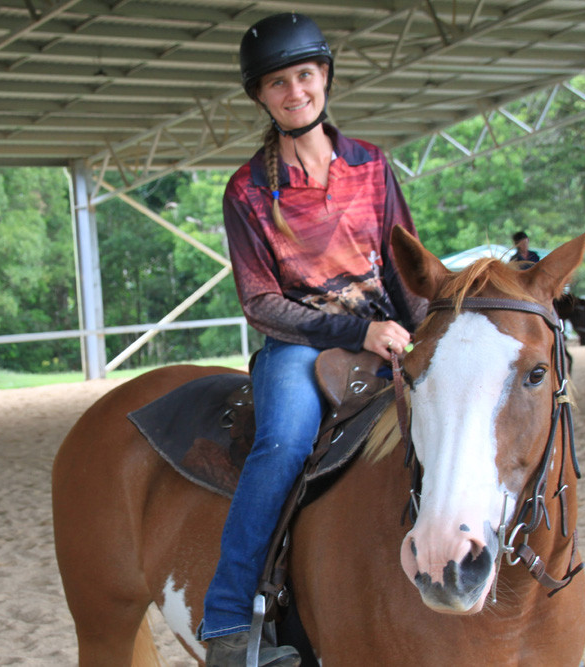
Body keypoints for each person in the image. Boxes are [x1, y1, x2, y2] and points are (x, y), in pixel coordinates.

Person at [198, 12, 427, 667]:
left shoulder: (372, 166)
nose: (295, 90)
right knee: (285, 440)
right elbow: (260, 301)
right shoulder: (248, 188)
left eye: (305, 74)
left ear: (324, 76)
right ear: (260, 96)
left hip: (387, 332)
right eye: (277, 82)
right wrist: (360, 328)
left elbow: (404, 260)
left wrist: (422, 331)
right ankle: (227, 625)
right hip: (297, 343)